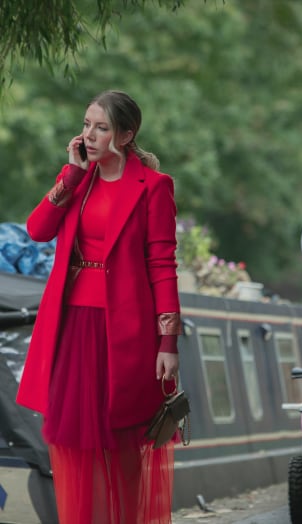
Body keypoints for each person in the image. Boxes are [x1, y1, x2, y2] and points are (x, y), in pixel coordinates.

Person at [16, 90, 182, 524]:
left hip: (125, 331)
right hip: (72, 325)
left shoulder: (154, 187)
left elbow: (163, 264)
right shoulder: (77, 178)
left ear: (126, 135)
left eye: (101, 128)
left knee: (123, 444)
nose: (89, 135)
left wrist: (168, 341)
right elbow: (36, 231)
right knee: (73, 443)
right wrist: (71, 176)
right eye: (87, 124)